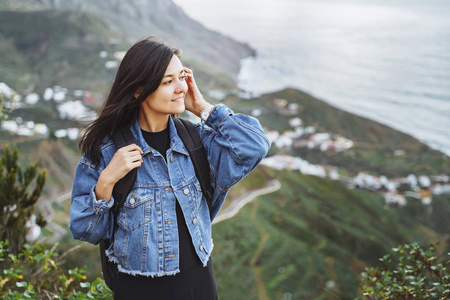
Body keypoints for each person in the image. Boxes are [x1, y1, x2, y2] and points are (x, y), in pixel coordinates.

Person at [69, 36, 270, 299]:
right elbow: (85, 229)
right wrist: (105, 182)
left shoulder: (197, 142)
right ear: (139, 90)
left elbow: (255, 145)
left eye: (182, 77)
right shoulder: (107, 151)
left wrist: (203, 108)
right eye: (168, 81)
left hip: (200, 285)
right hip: (139, 291)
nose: (181, 89)